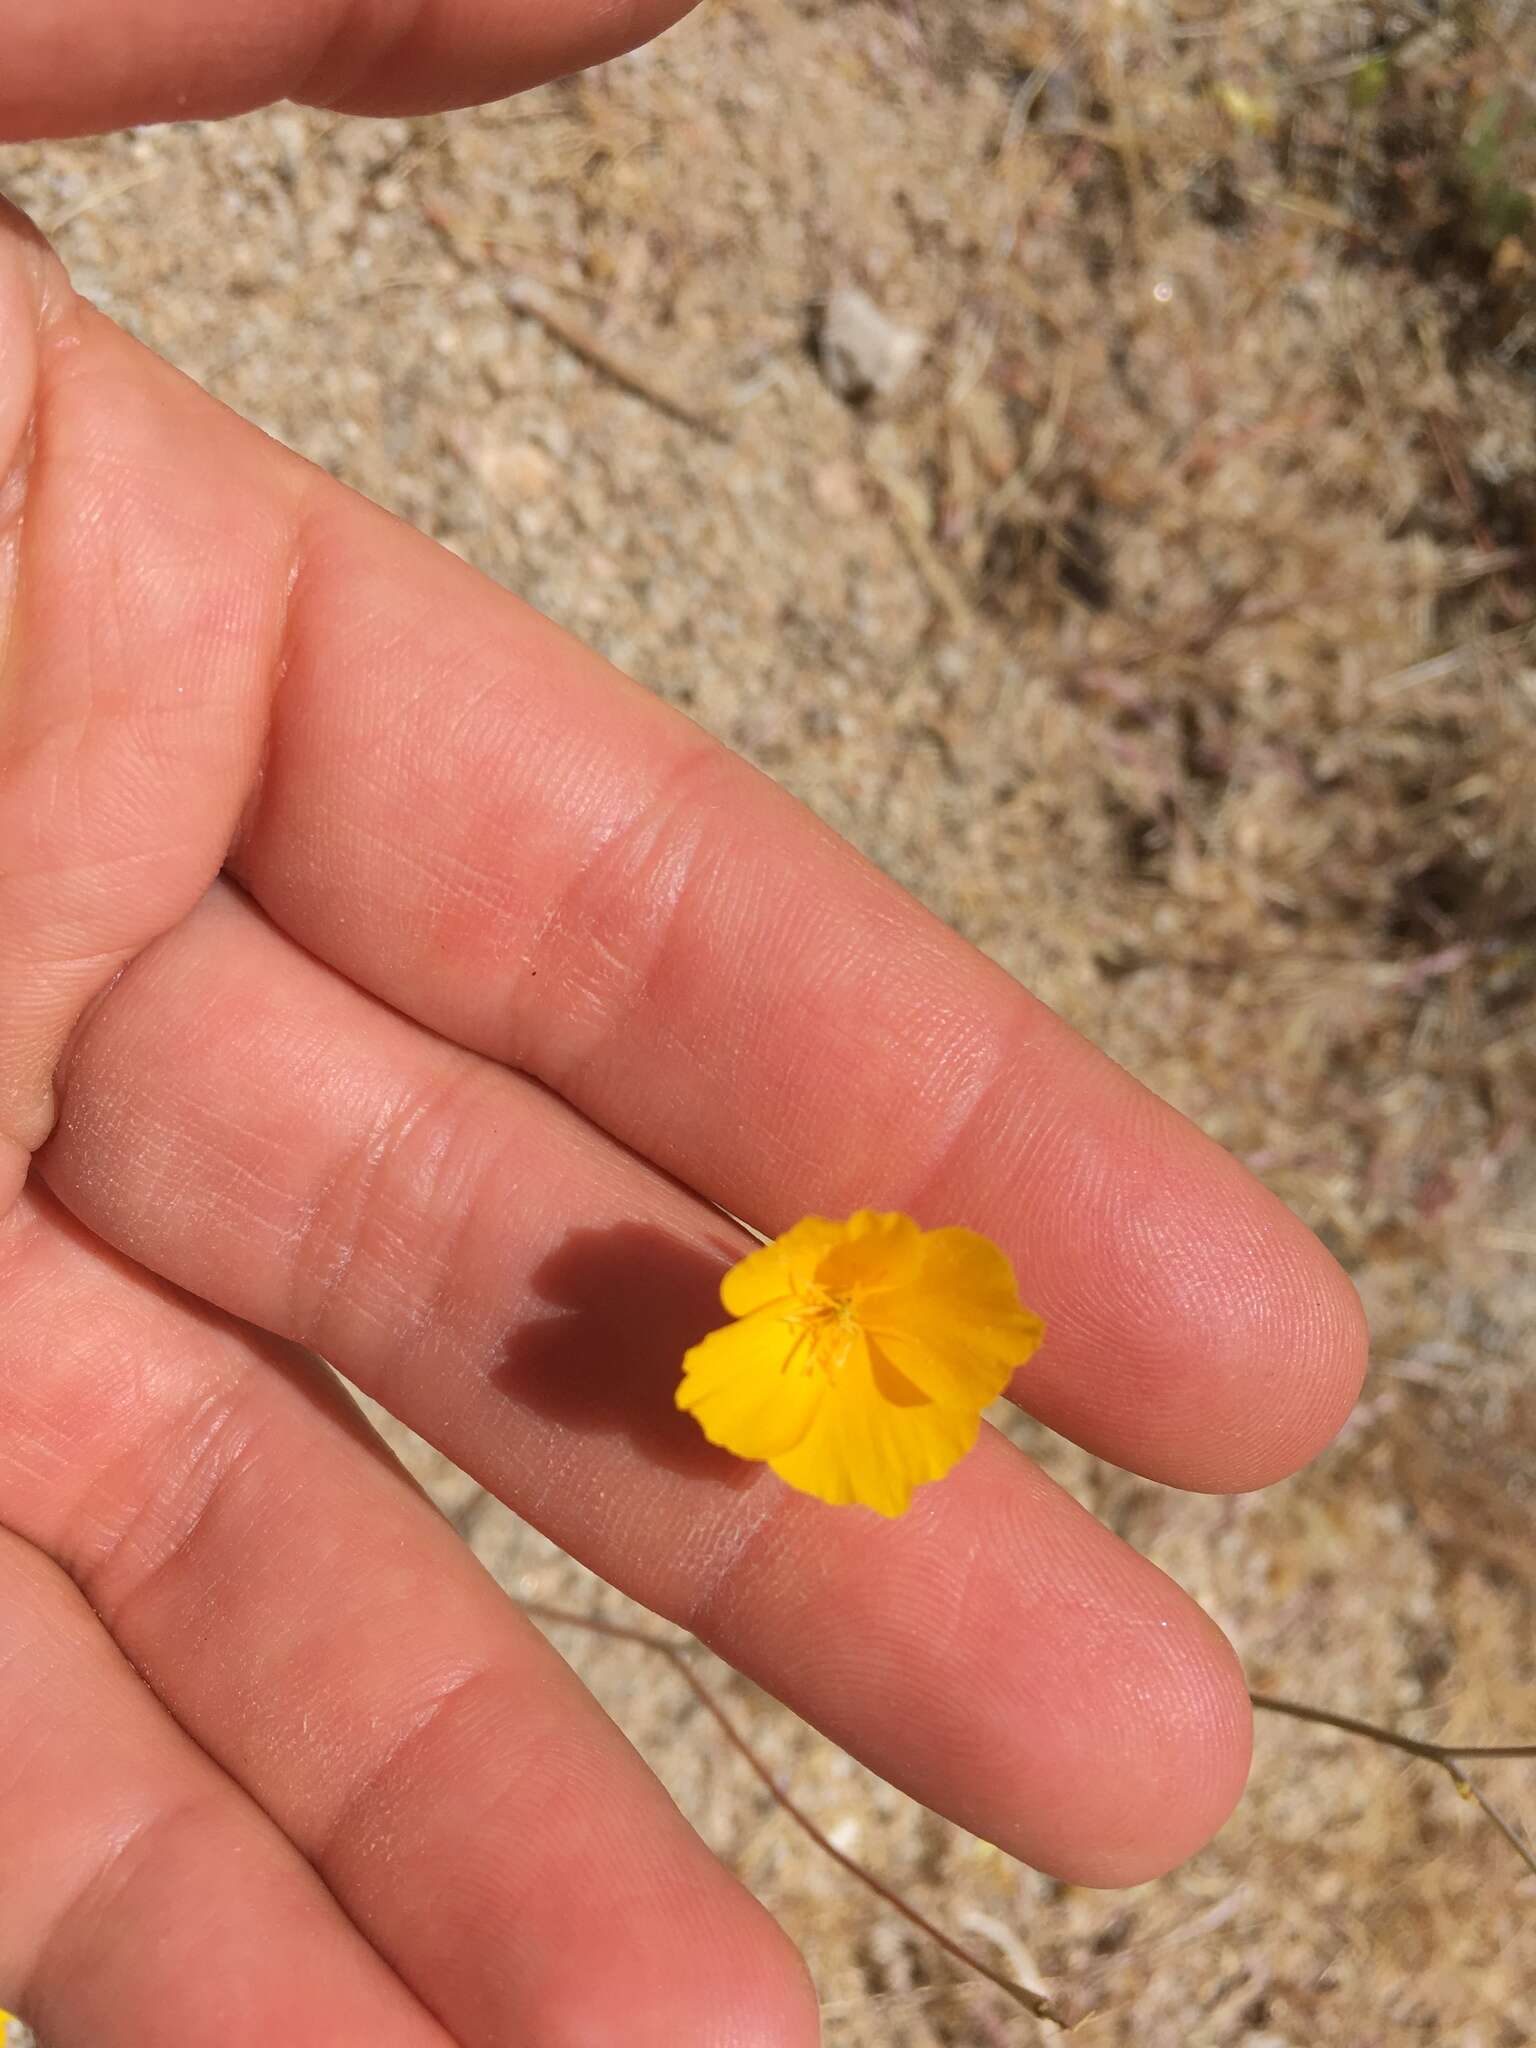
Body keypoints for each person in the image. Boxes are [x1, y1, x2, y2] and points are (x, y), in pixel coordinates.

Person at [0, 5, 1367, 2042]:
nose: (822, 1304)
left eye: (826, 1302)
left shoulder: (861, 1332)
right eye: (825, 1293)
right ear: (835, 1273)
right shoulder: (842, 1291)